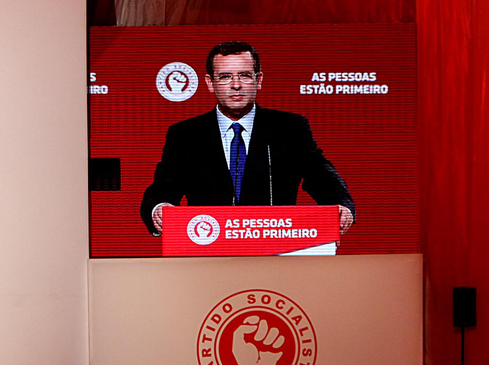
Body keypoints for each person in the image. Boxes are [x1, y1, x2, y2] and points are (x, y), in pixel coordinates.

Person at [141, 41, 355, 252]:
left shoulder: (289, 128)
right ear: (210, 83)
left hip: (275, 251)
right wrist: (159, 208)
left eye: (244, 75)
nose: (236, 85)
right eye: (225, 77)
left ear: (258, 80)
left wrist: (341, 205)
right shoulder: (186, 134)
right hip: (208, 251)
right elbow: (163, 189)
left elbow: (320, 175)